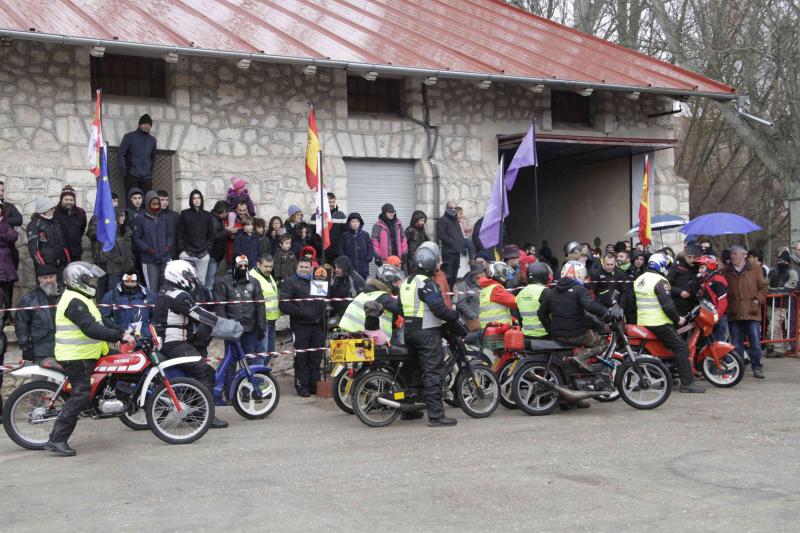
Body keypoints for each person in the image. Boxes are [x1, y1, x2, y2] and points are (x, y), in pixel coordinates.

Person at [46, 262, 132, 456]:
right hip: (77, 357)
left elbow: (101, 321)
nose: (93, 283)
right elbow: (90, 328)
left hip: (92, 352)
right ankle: (57, 439)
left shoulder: (82, 298)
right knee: (81, 395)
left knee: (125, 364)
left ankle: (120, 404)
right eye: (90, 280)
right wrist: (118, 337)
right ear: (79, 281)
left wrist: (123, 330)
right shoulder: (72, 300)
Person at [153, 259, 230, 428]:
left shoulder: (167, 290)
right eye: (187, 276)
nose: (190, 280)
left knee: (194, 372)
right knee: (205, 371)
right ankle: (206, 415)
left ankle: (192, 410)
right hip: (174, 343)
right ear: (176, 275)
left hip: (169, 341)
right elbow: (198, 313)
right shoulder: (178, 295)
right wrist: (225, 324)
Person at [400, 246, 460, 427]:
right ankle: (436, 416)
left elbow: (399, 307)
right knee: (433, 372)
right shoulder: (426, 283)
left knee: (414, 372)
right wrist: (454, 315)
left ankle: (409, 410)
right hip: (427, 332)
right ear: (430, 264)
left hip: (409, 332)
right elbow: (438, 308)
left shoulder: (406, 282)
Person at [632, 253, 705, 392]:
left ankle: (669, 376)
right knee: (682, 348)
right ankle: (688, 384)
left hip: (643, 321)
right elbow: (667, 306)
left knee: (664, 349)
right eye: (666, 265)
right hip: (659, 322)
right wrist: (678, 319)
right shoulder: (661, 281)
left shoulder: (639, 279)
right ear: (661, 266)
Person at [538, 261, 615, 373]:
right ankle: (582, 356)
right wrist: (606, 313)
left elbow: (541, 314)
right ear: (580, 275)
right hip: (576, 334)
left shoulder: (551, 292)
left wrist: (550, 329)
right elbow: (590, 305)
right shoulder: (579, 290)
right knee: (604, 342)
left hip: (557, 335)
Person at [279, 256, 326, 397]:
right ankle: (302, 386)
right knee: (301, 358)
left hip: (318, 326)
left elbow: (323, 300)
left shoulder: (318, 281)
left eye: (307, 267)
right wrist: (301, 312)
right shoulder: (290, 282)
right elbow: (283, 304)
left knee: (316, 357)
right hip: (300, 326)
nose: (304, 269)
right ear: (297, 267)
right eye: (302, 267)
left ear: (311, 268)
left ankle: (314, 386)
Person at [723, 245, 768, 379]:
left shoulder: (755, 268)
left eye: (735, 254)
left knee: (755, 343)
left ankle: (757, 367)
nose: (732, 256)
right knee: (736, 344)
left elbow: (763, 287)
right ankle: (739, 369)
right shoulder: (726, 271)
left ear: (744, 255)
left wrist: (757, 300)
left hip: (752, 311)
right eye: (731, 254)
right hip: (734, 312)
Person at [214, 255, 266, 363]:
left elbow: (260, 305)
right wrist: (226, 327)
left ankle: (249, 379)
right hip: (231, 327)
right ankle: (229, 380)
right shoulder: (223, 282)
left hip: (249, 327)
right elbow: (220, 307)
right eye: (240, 265)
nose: (243, 268)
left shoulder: (254, 281)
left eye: (245, 265)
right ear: (234, 265)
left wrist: (261, 325)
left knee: (250, 358)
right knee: (230, 360)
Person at [338, 265, 404, 347]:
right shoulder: (383, 296)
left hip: (347, 335)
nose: (398, 285)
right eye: (395, 281)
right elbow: (403, 309)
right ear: (387, 280)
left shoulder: (367, 293)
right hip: (361, 339)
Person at [14, 265, 60, 367]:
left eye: (51, 277)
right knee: (38, 381)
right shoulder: (29, 299)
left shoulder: (64, 295)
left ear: (56, 278)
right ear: (39, 280)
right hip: (40, 350)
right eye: (45, 278)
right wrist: (25, 346)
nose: (48, 280)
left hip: (63, 348)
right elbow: (21, 324)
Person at [133, 191, 172, 291]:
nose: (156, 206)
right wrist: (149, 249)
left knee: (167, 288)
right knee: (152, 289)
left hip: (165, 258)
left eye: (158, 204)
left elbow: (170, 235)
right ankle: (153, 307)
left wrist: (167, 246)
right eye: (153, 204)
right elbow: (137, 239)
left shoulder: (164, 218)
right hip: (149, 260)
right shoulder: (140, 218)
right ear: (147, 204)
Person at [100, 271, 156, 337]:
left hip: (145, 336)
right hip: (122, 336)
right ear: (122, 281)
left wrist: (149, 331)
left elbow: (157, 315)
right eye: (126, 281)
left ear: (137, 281)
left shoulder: (149, 294)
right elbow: (104, 317)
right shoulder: (111, 295)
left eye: (132, 281)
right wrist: (118, 330)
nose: (129, 284)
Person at [177, 189, 213, 285]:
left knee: (201, 281)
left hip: (203, 253)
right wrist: (182, 250)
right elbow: (180, 233)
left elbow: (211, 234)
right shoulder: (184, 214)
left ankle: (199, 299)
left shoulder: (207, 215)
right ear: (191, 200)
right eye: (194, 198)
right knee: (186, 280)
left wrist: (207, 250)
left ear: (201, 199)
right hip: (187, 253)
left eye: (198, 198)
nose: (196, 200)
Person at [27, 196, 67, 279]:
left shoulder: (55, 222)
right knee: (46, 290)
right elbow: (34, 249)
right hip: (46, 267)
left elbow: (62, 242)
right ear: (44, 209)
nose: (54, 210)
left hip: (60, 264)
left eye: (54, 208)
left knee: (61, 289)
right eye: (51, 208)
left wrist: (67, 259)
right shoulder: (34, 225)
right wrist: (43, 266)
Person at [766, 250, 797, 356]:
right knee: (774, 326)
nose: (781, 262)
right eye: (779, 260)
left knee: (774, 326)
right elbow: (766, 286)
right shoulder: (772, 271)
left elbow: (788, 289)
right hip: (770, 303)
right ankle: (773, 346)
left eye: (783, 260)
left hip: (783, 304)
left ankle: (777, 348)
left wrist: (773, 291)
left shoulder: (792, 273)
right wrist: (774, 291)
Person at [119, 114, 157, 199]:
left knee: (146, 201)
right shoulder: (129, 137)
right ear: (140, 124)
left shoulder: (152, 140)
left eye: (149, 124)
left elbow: (153, 157)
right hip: (132, 176)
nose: (147, 126)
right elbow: (121, 154)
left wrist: (150, 172)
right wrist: (125, 172)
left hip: (147, 177)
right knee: (132, 201)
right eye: (145, 123)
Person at [249, 254, 281, 356]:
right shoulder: (252, 277)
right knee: (262, 353)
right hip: (261, 321)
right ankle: (258, 372)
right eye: (266, 266)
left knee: (270, 352)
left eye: (270, 267)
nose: (268, 269)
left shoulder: (267, 275)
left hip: (271, 319)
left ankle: (263, 372)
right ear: (258, 265)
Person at [98, 208, 135, 291]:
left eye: (124, 216)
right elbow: (106, 250)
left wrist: (131, 260)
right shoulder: (109, 232)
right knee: (114, 293)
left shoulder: (126, 231)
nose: (123, 218)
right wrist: (119, 259)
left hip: (127, 269)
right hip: (115, 270)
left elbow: (130, 250)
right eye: (121, 216)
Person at [695, 255, 728, 342]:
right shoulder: (707, 280)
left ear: (710, 266)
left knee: (718, 343)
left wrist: (716, 317)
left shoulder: (717, 280)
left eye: (702, 267)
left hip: (717, 317)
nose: (699, 270)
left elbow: (723, 301)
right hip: (708, 316)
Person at [0, 181, 23, 306]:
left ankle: (7, 314)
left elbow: (19, 219)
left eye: (2, 190)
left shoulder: (8, 206)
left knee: (8, 285)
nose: (1, 193)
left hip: (9, 253)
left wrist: (3, 219)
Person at [516, 262, 552, 338]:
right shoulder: (545, 291)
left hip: (526, 335)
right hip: (544, 335)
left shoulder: (521, 292)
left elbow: (519, 316)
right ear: (544, 276)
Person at [52, 185, 86, 264]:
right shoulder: (54, 212)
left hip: (75, 253)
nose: (69, 202)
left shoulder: (81, 213)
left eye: (71, 200)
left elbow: (82, 229)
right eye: (66, 199)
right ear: (61, 199)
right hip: (59, 254)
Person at [478, 262, 518, 329]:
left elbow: (494, 312)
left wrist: (513, 319)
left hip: (490, 328)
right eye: (505, 273)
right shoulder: (496, 288)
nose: (507, 275)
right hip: (499, 328)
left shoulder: (487, 288)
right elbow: (515, 302)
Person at [436, 200, 466, 288]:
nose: (453, 210)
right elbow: (441, 235)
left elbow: (459, 234)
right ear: (447, 208)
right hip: (448, 252)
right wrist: (452, 242)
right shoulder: (442, 220)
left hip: (456, 252)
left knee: (454, 276)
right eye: (451, 208)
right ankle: (446, 295)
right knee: (447, 276)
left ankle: (451, 293)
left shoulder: (455, 221)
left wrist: (461, 243)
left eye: (455, 208)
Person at [338, 212, 376, 280]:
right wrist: (345, 261)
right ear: (349, 223)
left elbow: (370, 248)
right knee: (350, 288)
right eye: (352, 221)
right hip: (349, 269)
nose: (355, 223)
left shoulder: (365, 235)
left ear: (360, 223)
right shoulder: (345, 235)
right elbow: (340, 250)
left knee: (362, 288)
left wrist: (367, 258)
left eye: (357, 221)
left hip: (363, 269)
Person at [328, 255, 366, 322]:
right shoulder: (335, 276)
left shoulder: (355, 280)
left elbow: (356, 301)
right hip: (334, 311)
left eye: (339, 267)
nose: (336, 270)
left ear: (345, 267)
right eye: (335, 267)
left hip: (350, 315)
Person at [668, 243, 701, 317]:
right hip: (679, 305)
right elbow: (667, 285)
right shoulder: (677, 266)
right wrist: (680, 292)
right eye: (689, 257)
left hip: (694, 305)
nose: (692, 260)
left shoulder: (700, 267)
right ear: (685, 256)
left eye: (694, 257)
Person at [371, 203, 408, 267]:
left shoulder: (398, 224)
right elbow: (374, 242)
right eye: (389, 212)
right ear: (384, 213)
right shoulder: (378, 225)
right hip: (385, 260)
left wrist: (404, 253)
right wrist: (377, 256)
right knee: (386, 276)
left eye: (393, 212)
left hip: (398, 259)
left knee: (398, 276)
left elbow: (404, 239)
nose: (392, 214)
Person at [0, 203, 19, 317]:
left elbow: (13, 236)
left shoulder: (6, 225)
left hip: (5, 265)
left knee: (6, 293)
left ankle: (6, 316)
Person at [455, 263, 484, 333]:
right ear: (472, 276)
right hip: (474, 323)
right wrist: (474, 316)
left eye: (483, 276)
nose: (481, 279)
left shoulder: (484, 283)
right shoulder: (463, 286)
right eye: (478, 278)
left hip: (486, 320)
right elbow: (461, 303)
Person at [207, 200, 229, 289]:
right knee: (210, 280)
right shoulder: (214, 220)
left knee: (214, 278)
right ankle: (210, 300)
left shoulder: (217, 219)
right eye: (227, 212)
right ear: (223, 212)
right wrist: (227, 231)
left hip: (216, 254)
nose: (227, 214)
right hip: (213, 254)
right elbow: (215, 236)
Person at [405, 210, 429, 275]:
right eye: (422, 220)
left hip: (422, 258)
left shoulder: (422, 230)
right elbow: (404, 244)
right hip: (412, 260)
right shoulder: (410, 230)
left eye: (424, 221)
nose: (423, 223)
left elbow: (427, 242)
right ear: (416, 220)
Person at [157, 190, 179, 259]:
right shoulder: (152, 216)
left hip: (173, 253)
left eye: (167, 200)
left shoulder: (175, 215)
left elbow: (179, 234)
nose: (165, 202)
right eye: (162, 200)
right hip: (157, 254)